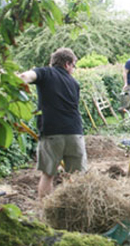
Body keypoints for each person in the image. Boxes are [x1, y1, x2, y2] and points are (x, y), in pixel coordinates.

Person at [19, 48, 87, 199]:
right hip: (75, 132)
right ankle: (75, 211)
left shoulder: (45, 73)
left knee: (48, 174)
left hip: (52, 133)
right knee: (76, 177)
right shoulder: (74, 83)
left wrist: (14, 84)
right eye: (74, 65)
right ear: (67, 64)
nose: (73, 70)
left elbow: (25, 76)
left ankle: (45, 210)